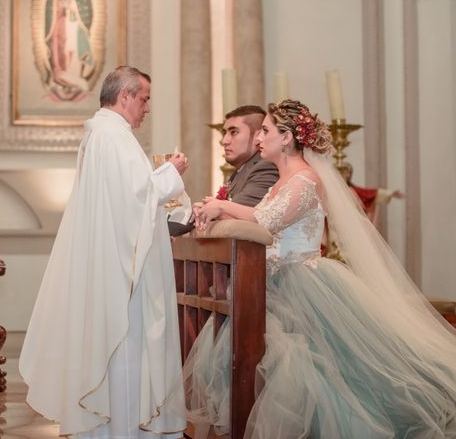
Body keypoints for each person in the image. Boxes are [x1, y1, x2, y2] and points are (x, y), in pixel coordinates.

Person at [193, 99, 456, 438]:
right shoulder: (280, 182)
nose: (260, 138)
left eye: (267, 131)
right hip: (274, 279)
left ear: (286, 137)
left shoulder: (304, 180)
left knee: (317, 369)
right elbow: (257, 220)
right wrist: (213, 210)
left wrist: (220, 205)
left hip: (302, 282)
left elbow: (266, 221)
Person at [19, 66, 188, 438]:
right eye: (144, 99)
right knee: (124, 349)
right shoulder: (113, 137)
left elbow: (128, 197)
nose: (147, 109)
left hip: (113, 265)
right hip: (120, 275)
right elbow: (137, 197)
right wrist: (171, 171)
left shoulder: (106, 135)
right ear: (124, 96)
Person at [167, 105, 278, 237]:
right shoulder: (242, 169)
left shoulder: (265, 167)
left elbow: (238, 213)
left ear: (258, 136)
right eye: (225, 133)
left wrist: (206, 209)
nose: (224, 141)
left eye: (234, 132)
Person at [45, 0, 94, 100]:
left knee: (72, 53)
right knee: (61, 55)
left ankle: (75, 80)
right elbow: (55, 12)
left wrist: (72, 8)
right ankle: (65, 81)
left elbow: (81, 12)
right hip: (60, 27)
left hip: (73, 26)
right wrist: (50, 33)